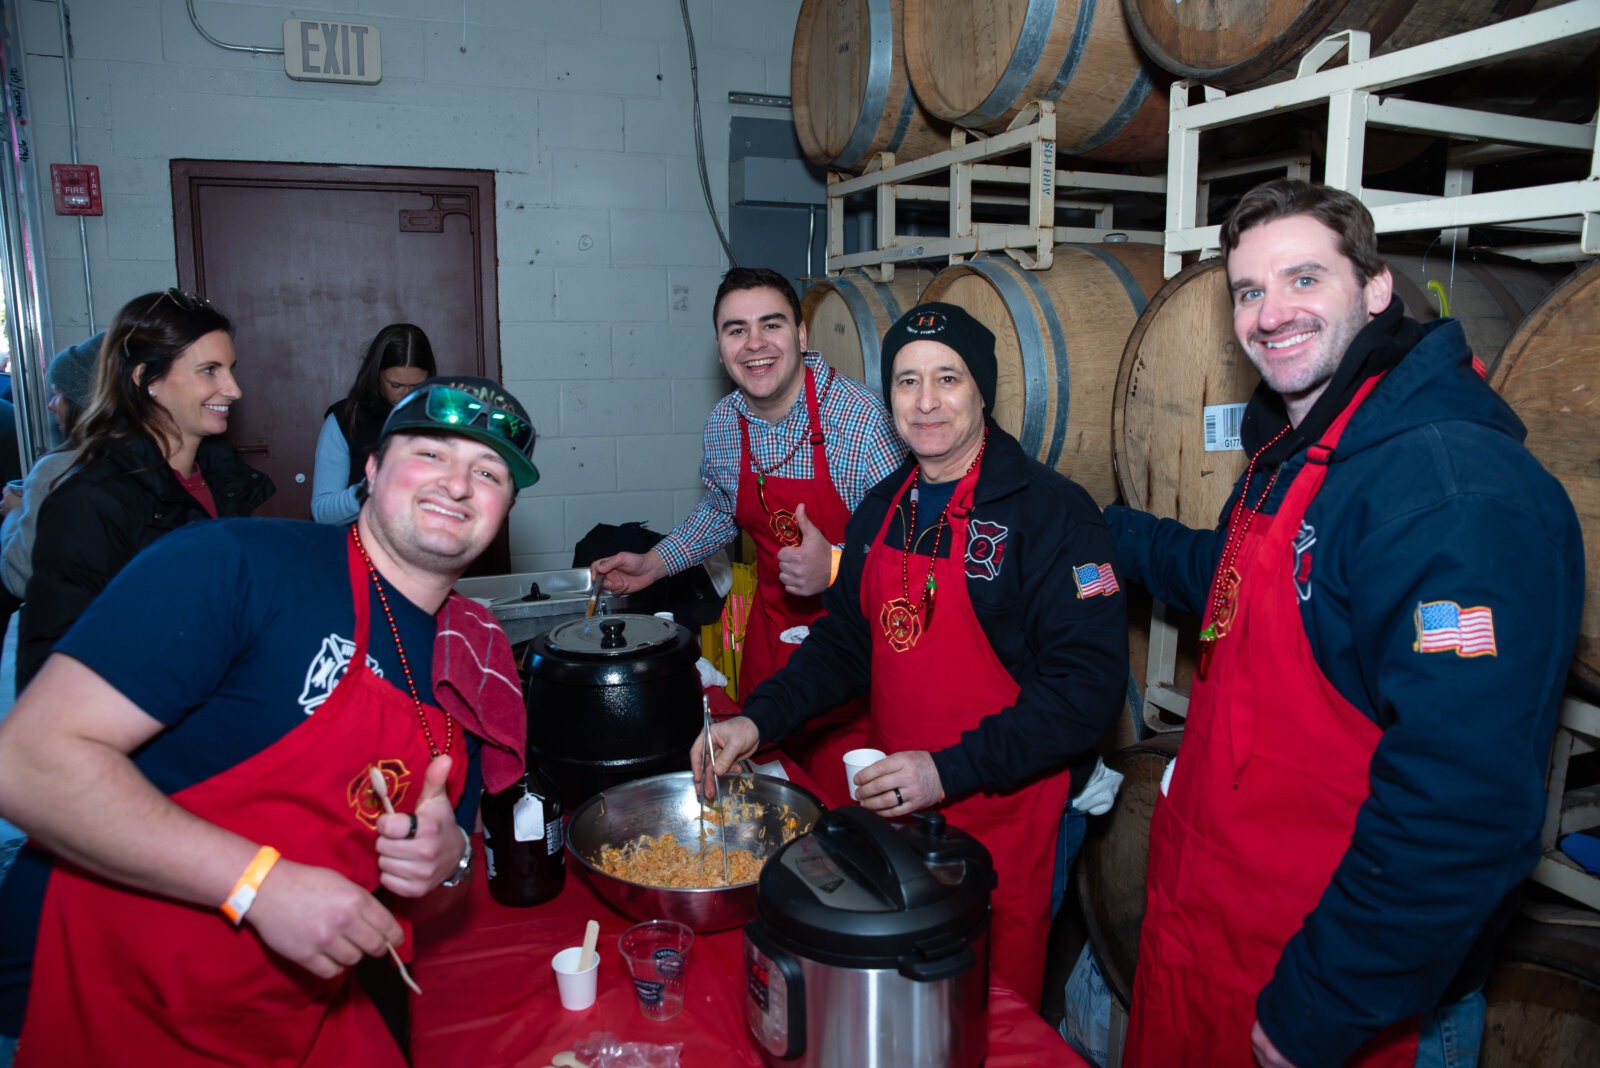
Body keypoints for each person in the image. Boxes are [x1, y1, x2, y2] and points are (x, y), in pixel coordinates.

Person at [1105, 180, 1583, 1068]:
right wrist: (1113, 534)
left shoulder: (1451, 491)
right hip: (1219, 941)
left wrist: (1322, 1006)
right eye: (1249, 291)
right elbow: (1241, 586)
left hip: (1341, 1006)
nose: (1270, 313)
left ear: (1374, 290)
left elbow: (1461, 805)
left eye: (1303, 280)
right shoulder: (1304, 451)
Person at [0, 375, 540, 1065]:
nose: (458, 484)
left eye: (488, 472)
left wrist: (446, 864)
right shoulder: (235, 566)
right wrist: (257, 883)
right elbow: (29, 762)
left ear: (504, 509)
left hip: (290, 1011)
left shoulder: (470, 659)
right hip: (107, 994)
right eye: (430, 453)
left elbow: (437, 889)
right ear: (370, 471)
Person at [695, 302, 1127, 1006]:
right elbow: (844, 644)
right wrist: (756, 721)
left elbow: (1086, 693)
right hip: (899, 812)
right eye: (905, 381)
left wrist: (948, 770)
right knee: (905, 1003)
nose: (925, 403)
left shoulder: (1052, 514)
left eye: (947, 379)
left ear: (982, 390)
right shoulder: (883, 506)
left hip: (1005, 813)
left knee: (989, 1007)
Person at [593, 266, 905, 802]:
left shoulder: (859, 422)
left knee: (840, 816)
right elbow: (720, 510)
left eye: (771, 325)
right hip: (770, 644)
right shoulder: (723, 422)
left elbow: (903, 554)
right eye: (736, 329)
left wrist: (833, 564)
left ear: (802, 336)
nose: (754, 344)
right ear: (719, 346)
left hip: (853, 660)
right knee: (767, 799)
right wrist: (658, 561)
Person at [14, 291, 274, 690]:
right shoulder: (91, 500)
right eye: (209, 370)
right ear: (145, 380)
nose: (233, 389)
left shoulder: (222, 479)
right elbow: (54, 673)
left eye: (230, 369)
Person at [0, 333, 103, 599]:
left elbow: (23, 577)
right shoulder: (144, 455)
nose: (50, 405)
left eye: (59, 395)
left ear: (83, 403)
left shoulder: (57, 469)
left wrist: (16, 513)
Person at [313, 323, 437, 525]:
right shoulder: (346, 419)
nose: (406, 395)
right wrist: (374, 484)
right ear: (376, 375)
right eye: (396, 385)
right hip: (364, 549)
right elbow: (323, 514)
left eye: (416, 385)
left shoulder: (442, 416)